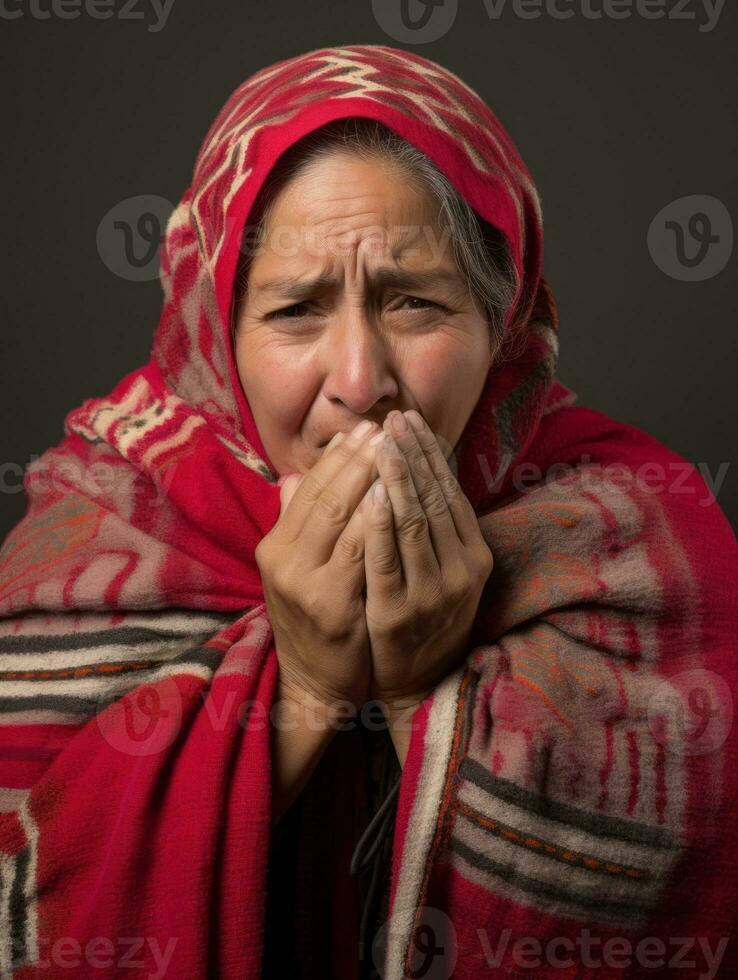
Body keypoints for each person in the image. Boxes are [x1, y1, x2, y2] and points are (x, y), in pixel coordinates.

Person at [0, 43, 736, 980]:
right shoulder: (104, 523)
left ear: (505, 326)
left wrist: (424, 689)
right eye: (297, 309)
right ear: (215, 338)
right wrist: (307, 687)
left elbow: (683, 911)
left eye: (416, 302)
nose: (360, 381)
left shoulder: (633, 532)